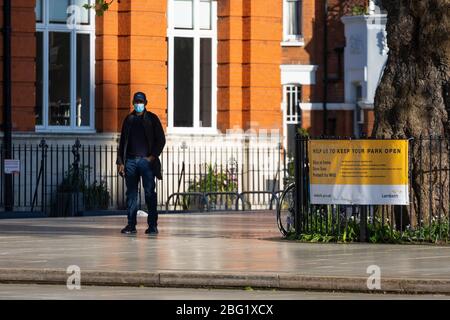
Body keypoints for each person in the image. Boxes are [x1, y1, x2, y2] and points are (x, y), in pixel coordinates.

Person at [116, 92, 166, 235]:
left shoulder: (152, 119)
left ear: (145, 103)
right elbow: (122, 142)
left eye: (141, 102)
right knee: (131, 194)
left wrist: (152, 157)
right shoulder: (129, 119)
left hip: (146, 162)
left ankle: (152, 225)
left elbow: (161, 140)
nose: (138, 104)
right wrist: (120, 162)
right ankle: (131, 225)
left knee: (150, 193)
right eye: (136, 101)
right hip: (130, 161)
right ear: (133, 102)